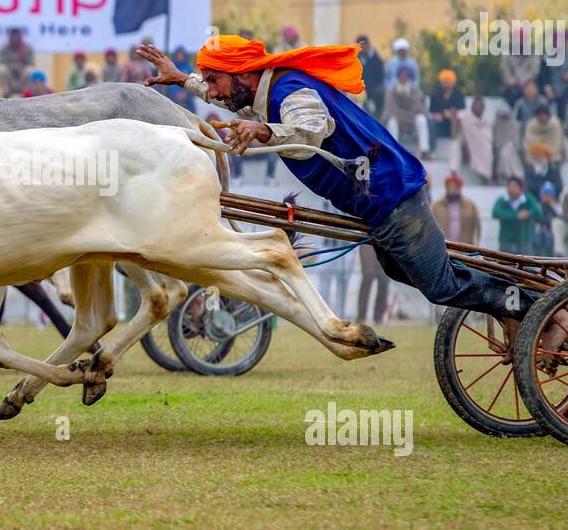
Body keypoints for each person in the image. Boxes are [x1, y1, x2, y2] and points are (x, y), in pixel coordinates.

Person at [137, 34, 541, 323]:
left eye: (214, 81)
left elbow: (312, 128)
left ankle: (535, 310)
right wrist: (181, 79)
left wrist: (263, 132)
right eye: (205, 82)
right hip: (376, 200)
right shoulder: (258, 94)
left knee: (440, 287)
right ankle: (513, 303)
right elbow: (228, 98)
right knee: (402, 270)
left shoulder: (290, 91)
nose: (211, 91)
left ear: (243, 73)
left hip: (391, 192)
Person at [383, 65, 430, 155]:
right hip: (398, 119)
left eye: (406, 76)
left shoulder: (416, 91)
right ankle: (393, 150)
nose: (404, 78)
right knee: (392, 121)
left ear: (410, 78)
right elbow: (390, 109)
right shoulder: (391, 92)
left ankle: (424, 150)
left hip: (411, 120)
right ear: (398, 77)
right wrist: (401, 115)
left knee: (421, 119)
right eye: (402, 76)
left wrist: (408, 115)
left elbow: (419, 108)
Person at [492, 176, 542, 254]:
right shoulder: (502, 200)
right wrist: (516, 216)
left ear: (521, 187)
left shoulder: (528, 199)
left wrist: (529, 213)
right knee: (505, 263)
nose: (511, 188)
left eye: (514, 186)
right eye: (509, 186)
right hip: (506, 239)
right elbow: (495, 212)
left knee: (526, 263)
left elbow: (538, 211)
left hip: (524, 239)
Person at [430, 172, 481, 245]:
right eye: (450, 186)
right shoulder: (436, 206)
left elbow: (477, 227)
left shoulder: (470, 205)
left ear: (459, 188)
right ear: (446, 187)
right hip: (443, 247)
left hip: (465, 247)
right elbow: (430, 227)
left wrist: (476, 245)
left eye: (455, 186)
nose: (452, 189)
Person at [428, 69, 465, 162]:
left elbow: (463, 111)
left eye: (449, 81)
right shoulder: (435, 95)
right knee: (431, 122)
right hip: (440, 124)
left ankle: (459, 150)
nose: (447, 84)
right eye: (445, 81)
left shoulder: (459, 95)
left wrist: (452, 114)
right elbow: (431, 111)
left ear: (453, 82)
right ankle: (432, 150)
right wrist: (437, 115)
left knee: (459, 120)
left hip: (453, 124)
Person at [456, 97, 494, 182]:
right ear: (472, 107)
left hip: (483, 145)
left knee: (487, 150)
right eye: (476, 106)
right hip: (468, 144)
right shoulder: (465, 116)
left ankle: (486, 176)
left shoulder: (487, 119)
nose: (478, 108)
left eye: (480, 106)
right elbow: (456, 117)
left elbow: (488, 135)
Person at [356, 35, 385, 117]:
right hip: (360, 87)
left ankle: (379, 114)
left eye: (363, 44)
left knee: (380, 92)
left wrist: (370, 85)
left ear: (368, 44)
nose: (362, 47)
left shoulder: (376, 59)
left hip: (373, 87)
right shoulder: (356, 58)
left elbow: (380, 75)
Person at [532, 183, 559, 256]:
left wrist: (553, 205)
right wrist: (541, 226)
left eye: (549, 195)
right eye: (545, 194)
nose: (546, 197)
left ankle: (549, 259)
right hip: (538, 228)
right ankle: (535, 258)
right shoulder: (537, 206)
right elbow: (535, 218)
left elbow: (559, 216)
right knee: (536, 236)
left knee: (549, 237)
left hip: (550, 229)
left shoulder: (555, 207)